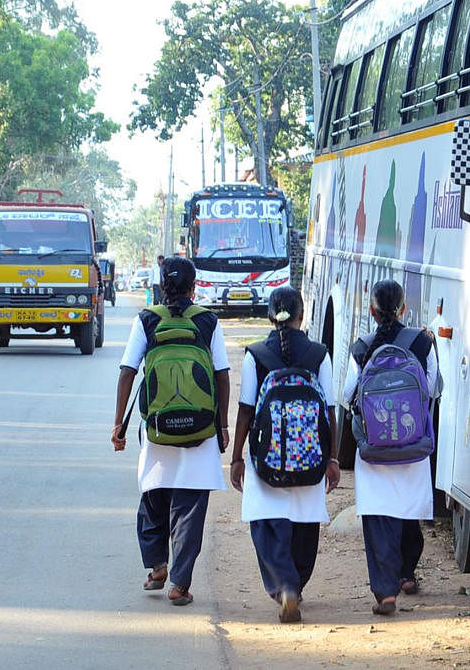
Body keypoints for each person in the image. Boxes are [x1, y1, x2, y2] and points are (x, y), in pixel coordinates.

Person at [111, 257, 230, 607]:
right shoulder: (208, 321)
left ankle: (157, 566)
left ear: (161, 286)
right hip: (201, 430)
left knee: (153, 498)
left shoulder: (147, 320)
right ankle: (179, 583)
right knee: (189, 509)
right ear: (195, 288)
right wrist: (222, 425)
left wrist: (118, 424)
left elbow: (127, 371)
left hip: (158, 430)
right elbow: (221, 374)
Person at [231, 286, 340, 623]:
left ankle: (285, 584)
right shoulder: (320, 354)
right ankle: (297, 583)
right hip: (311, 455)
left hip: (267, 459)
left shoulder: (257, 354)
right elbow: (331, 412)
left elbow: (247, 410)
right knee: (305, 523)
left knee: (265, 522)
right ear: (302, 315)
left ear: (268, 315)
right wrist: (333, 458)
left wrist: (236, 457)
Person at [342, 279, 438, 616]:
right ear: (403, 310)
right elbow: (434, 389)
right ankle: (406, 574)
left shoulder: (362, 347)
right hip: (413, 445)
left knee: (379, 515)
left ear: (371, 310)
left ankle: (386, 592)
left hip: (374, 448)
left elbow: (346, 395)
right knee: (407, 509)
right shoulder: (423, 343)